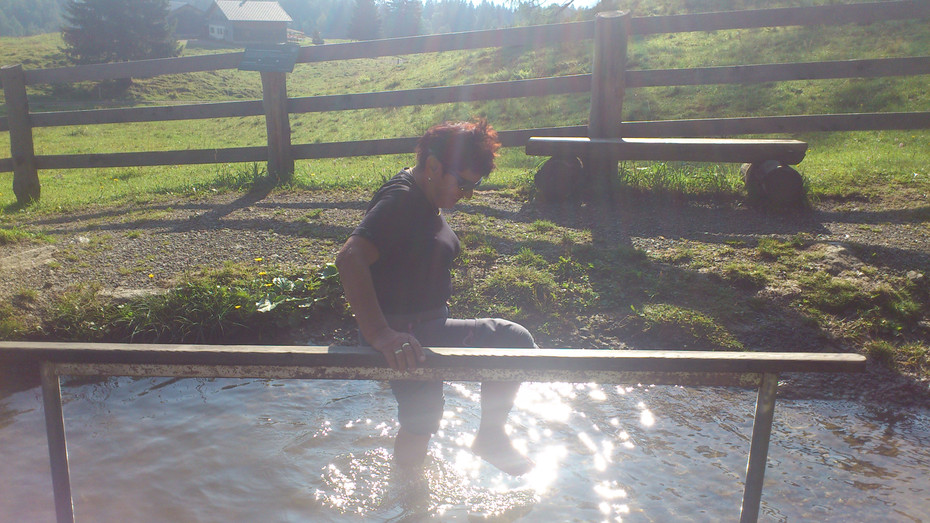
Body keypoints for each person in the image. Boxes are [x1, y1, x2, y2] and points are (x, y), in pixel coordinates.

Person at [335, 118, 537, 477]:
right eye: (462, 184)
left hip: (419, 332)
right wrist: (380, 334)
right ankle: (489, 437)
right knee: (514, 340)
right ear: (432, 166)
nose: (466, 194)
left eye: (473, 187)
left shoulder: (420, 196)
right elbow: (350, 258)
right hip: (406, 338)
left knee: (420, 423)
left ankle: (406, 493)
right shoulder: (401, 200)